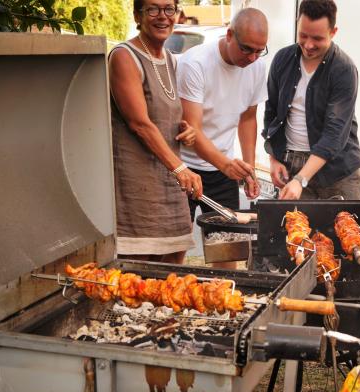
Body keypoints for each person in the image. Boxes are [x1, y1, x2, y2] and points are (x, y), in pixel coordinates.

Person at [108, 0, 203, 264]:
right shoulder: (124, 56)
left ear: (177, 13)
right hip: (137, 190)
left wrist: (187, 131)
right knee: (137, 284)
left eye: (168, 9)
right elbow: (139, 123)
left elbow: (167, 115)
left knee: (173, 276)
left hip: (171, 186)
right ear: (138, 14)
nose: (162, 17)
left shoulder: (171, 60)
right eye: (153, 9)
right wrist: (180, 168)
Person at [262, 0, 360, 200]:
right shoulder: (282, 59)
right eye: (303, 35)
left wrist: (301, 179)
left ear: (333, 32)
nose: (308, 45)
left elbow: (334, 134)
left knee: (348, 228)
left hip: (337, 172)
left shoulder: (343, 69)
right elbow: (271, 112)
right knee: (293, 229)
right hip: (290, 166)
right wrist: (274, 159)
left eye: (317, 38)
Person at [177, 8, 267, 231]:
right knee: (176, 247)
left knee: (228, 244)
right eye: (246, 49)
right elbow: (193, 129)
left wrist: (249, 170)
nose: (252, 58)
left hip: (222, 171)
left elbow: (248, 118)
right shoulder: (195, 63)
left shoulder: (257, 67)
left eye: (259, 51)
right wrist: (225, 164)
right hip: (184, 168)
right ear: (229, 34)